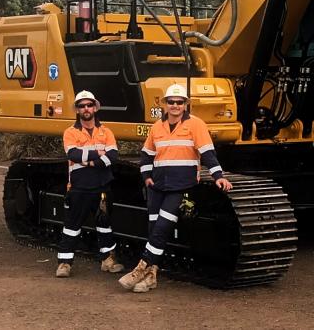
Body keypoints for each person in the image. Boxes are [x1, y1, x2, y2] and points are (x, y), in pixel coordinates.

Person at [119, 84, 232, 293]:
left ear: (185, 105)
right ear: (165, 104)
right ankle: (152, 277)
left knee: (162, 227)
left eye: (179, 102)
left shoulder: (196, 125)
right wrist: (146, 177)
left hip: (181, 186)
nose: (175, 106)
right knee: (154, 229)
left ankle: (140, 268)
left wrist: (218, 176)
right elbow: (146, 155)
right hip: (157, 186)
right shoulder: (157, 127)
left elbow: (207, 153)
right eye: (171, 102)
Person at [55, 91, 124, 278]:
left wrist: (90, 160)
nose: (86, 109)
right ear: (77, 110)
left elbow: (113, 157)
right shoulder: (70, 132)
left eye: (88, 105)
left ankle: (108, 260)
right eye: (81, 106)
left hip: (102, 185)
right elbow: (73, 155)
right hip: (79, 186)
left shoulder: (106, 131)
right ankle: (64, 263)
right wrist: (99, 155)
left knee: (105, 224)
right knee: (72, 225)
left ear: (94, 107)